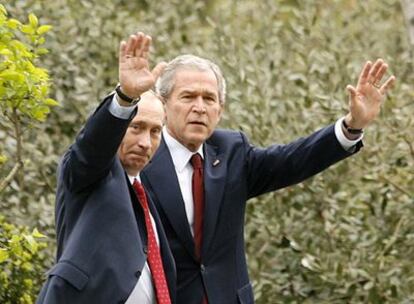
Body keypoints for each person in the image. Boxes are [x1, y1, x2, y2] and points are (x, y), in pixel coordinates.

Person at [138, 49, 396, 303]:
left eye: (209, 99)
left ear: (221, 109)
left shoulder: (231, 150)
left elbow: (291, 161)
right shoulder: (140, 156)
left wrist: (352, 125)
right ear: (163, 103)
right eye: (188, 97)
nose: (200, 108)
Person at [37, 32, 176, 304]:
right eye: (135, 127)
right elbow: (93, 146)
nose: (145, 142)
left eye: (155, 131)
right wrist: (125, 98)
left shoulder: (145, 196)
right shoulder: (89, 172)